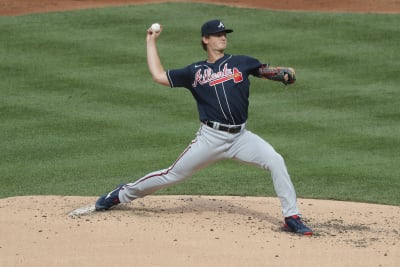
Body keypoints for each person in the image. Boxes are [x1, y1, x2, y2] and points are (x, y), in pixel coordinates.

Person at [95, 19, 313, 235]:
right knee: (172, 175)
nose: (223, 37)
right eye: (218, 34)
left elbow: (265, 71)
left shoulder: (241, 62)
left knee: (275, 160)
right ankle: (121, 194)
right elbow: (158, 76)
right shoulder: (195, 71)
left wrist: (283, 74)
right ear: (205, 39)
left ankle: (292, 217)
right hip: (211, 138)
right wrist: (151, 42)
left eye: (224, 34)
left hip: (241, 137)